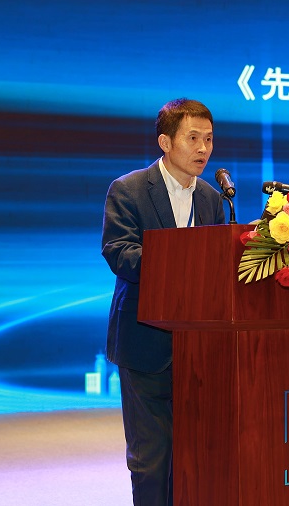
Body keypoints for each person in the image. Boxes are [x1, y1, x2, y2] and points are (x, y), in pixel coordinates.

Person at [101, 98, 225, 506]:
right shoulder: (129, 189)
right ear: (165, 142)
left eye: (209, 139)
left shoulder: (212, 198)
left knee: (196, 457)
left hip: (199, 351)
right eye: (193, 138)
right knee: (151, 460)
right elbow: (118, 251)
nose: (203, 148)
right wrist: (180, 262)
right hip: (145, 343)